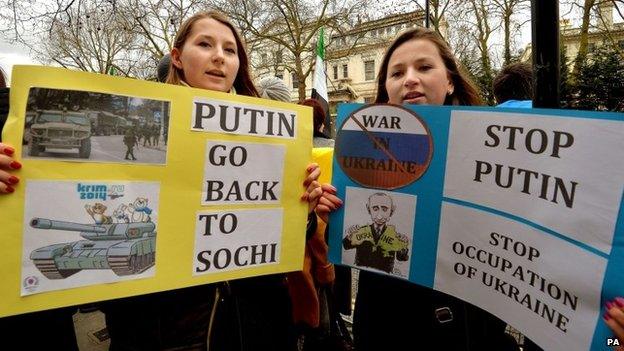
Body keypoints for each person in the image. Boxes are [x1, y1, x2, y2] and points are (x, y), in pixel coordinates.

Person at [101, 11, 322, 351]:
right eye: (205, 44)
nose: (219, 56)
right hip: (164, 331)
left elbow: (284, 241)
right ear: (177, 56)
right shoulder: (142, 128)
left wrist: (303, 208)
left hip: (255, 327)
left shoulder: (273, 139)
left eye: (230, 50)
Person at [316, 27, 518, 351]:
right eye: (397, 72)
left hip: (468, 334)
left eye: (424, 67)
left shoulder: (494, 159)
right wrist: (330, 217)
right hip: (387, 329)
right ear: (386, 88)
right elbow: (348, 250)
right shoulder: (361, 155)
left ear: (450, 80)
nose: (410, 79)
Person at [342, 192, 409, 273]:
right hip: (361, 273)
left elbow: (402, 258)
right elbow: (345, 246)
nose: (379, 216)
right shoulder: (361, 231)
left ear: (392, 211)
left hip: (386, 277)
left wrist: (403, 246)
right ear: (368, 209)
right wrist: (349, 236)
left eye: (384, 209)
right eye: (375, 209)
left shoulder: (394, 236)